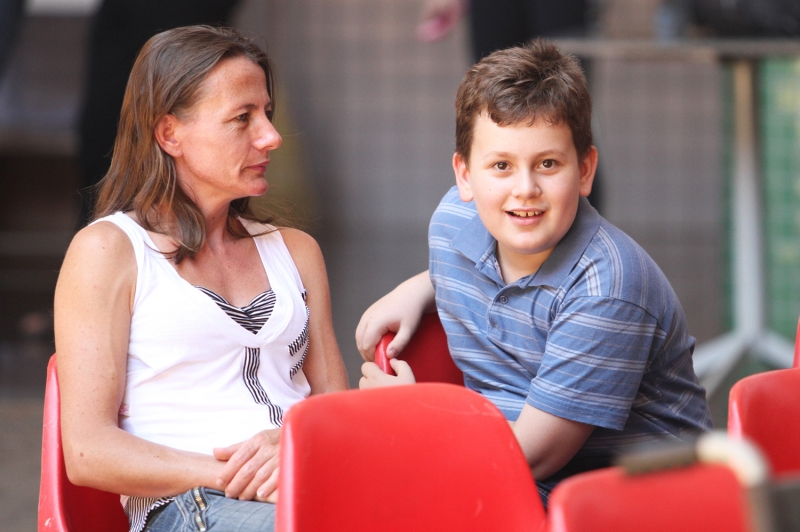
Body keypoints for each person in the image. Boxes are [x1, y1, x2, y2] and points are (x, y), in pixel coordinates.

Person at [356, 40, 712, 506]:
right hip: (499, 464)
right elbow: (486, 267)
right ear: (464, 175)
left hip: (632, 497)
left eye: (547, 164)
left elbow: (533, 456)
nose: (525, 189)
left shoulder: (607, 288)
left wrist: (416, 416)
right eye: (501, 165)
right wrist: (422, 285)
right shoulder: (453, 224)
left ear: (585, 170)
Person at [54, 25, 348, 532]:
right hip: (190, 504)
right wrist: (241, 475)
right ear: (170, 134)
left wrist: (295, 446)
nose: (271, 136)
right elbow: (87, 451)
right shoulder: (109, 250)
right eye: (242, 118)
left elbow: (335, 409)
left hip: (312, 485)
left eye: (267, 113)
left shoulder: (296, 251)